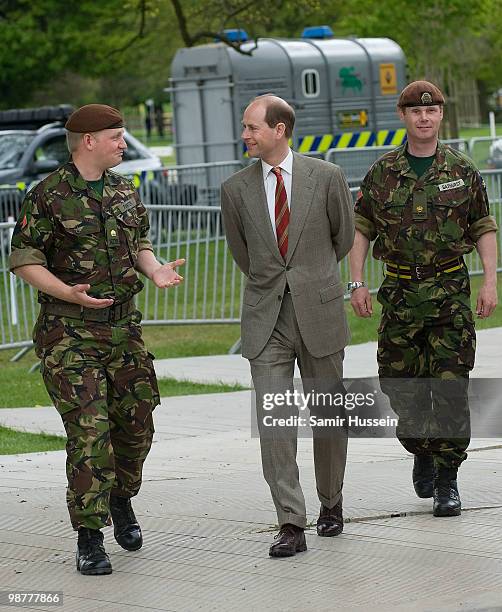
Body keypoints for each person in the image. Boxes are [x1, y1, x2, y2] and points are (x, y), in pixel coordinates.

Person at [9, 104, 184, 575]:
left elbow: (140, 246)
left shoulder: (125, 190)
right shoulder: (47, 195)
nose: (123, 144)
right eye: (116, 137)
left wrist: (156, 269)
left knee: (136, 426)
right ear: (88, 140)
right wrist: (67, 292)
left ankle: (122, 499)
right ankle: (89, 535)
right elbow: (25, 259)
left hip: (125, 331)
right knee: (90, 434)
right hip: (70, 333)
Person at [349, 81, 497, 517]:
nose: (424, 118)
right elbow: (362, 228)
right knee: (401, 388)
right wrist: (357, 282)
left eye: (431, 112)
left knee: (451, 389)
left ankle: (447, 479)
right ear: (404, 116)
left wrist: (490, 282)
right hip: (400, 295)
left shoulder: (462, 170)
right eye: (415, 112)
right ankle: (421, 449)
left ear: (441, 116)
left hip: (450, 293)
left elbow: (483, 227)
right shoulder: (382, 172)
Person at [221, 95, 354, 557]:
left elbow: (343, 238)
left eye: (252, 127)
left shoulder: (328, 177)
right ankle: (290, 522)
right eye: (244, 127)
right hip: (266, 320)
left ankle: (331, 503)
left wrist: (310, 277)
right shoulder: (235, 189)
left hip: (319, 313)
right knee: (275, 421)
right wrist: (275, 283)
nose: (245, 135)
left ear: (279, 130)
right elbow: (244, 253)